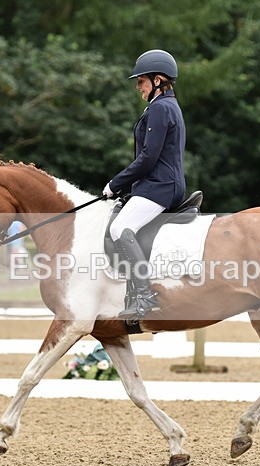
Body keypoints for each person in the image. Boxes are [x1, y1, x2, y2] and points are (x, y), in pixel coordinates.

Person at [102, 49, 186, 319]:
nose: (138, 86)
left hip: (160, 186)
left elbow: (148, 158)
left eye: (141, 81)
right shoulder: (165, 106)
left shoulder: (161, 108)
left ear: (158, 80)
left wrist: (116, 184)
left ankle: (145, 296)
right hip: (159, 184)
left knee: (120, 227)